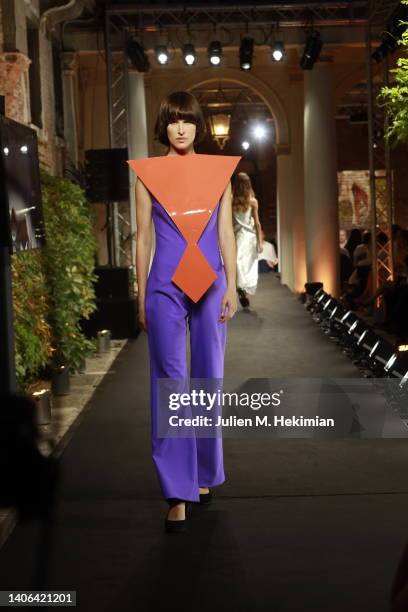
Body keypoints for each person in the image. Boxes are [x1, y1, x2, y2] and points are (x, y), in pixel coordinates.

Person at [128, 91, 240, 533]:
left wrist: (231, 283)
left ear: (198, 126)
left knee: (207, 379)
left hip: (211, 284)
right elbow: (141, 239)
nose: (180, 128)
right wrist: (140, 295)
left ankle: (205, 474)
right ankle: (177, 490)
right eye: (173, 121)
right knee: (171, 384)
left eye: (188, 121)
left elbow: (227, 232)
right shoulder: (147, 175)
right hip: (164, 288)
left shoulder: (220, 173)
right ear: (164, 126)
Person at [232, 172, 263, 308]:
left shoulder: (231, 200)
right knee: (248, 265)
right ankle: (243, 289)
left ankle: (240, 288)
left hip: (236, 236)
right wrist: (260, 241)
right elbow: (257, 223)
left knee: (238, 262)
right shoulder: (252, 201)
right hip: (249, 237)